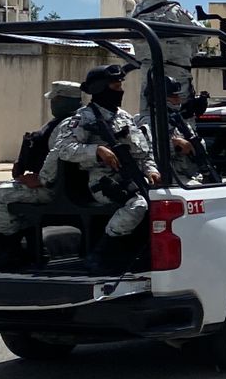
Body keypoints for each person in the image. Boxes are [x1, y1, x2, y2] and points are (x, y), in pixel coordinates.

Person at [51, 64, 161, 271]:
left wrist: (151, 170)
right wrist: (97, 150)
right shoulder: (84, 117)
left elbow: (143, 153)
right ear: (100, 88)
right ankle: (103, 251)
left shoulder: (125, 117)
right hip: (103, 182)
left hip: (134, 177)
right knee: (137, 205)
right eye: (115, 85)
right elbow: (64, 149)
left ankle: (143, 254)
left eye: (120, 85)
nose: (120, 90)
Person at [0, 81, 82, 267]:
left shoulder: (66, 125)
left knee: (1, 194)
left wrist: (40, 180)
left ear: (61, 100)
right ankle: (33, 246)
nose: (52, 104)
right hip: (72, 186)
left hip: (58, 189)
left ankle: (11, 250)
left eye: (54, 99)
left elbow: (57, 157)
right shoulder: (82, 120)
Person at [129, 0, 208, 101]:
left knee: (149, 114)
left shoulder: (136, 13)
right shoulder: (175, 11)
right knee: (181, 116)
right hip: (177, 73)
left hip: (149, 73)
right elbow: (201, 35)